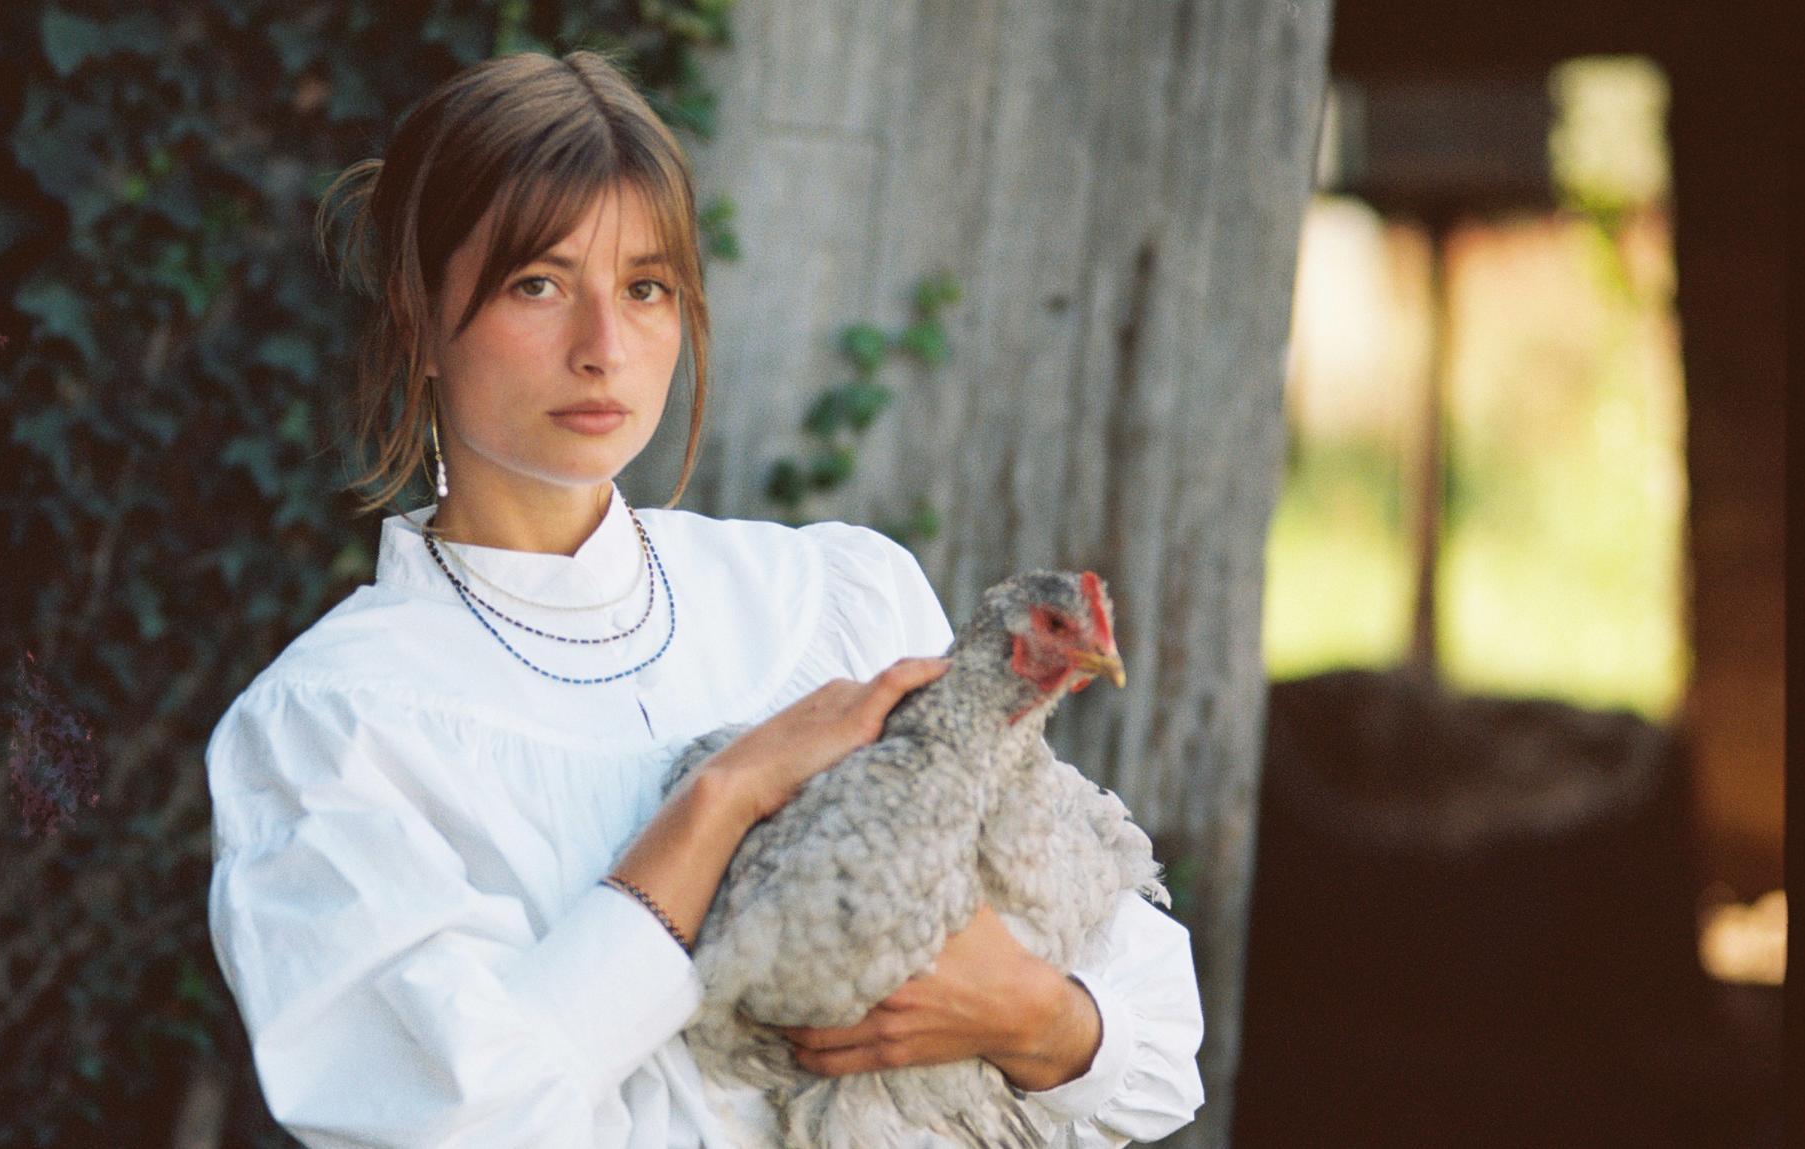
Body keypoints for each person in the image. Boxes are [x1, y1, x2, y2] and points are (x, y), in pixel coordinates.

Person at [204, 48, 1205, 1148]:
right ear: (415, 312)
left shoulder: (834, 597)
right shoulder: (335, 731)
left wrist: (1032, 1016)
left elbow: (1150, 1027)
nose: (604, 348)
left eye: (645, 287)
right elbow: (459, 1121)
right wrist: (718, 801)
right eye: (537, 283)